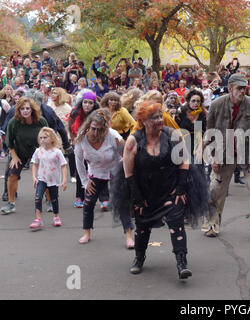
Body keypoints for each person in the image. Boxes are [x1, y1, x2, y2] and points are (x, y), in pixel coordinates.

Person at [121, 101, 194, 279]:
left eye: (160, 116)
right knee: (142, 226)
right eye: (154, 118)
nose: (160, 120)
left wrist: (181, 187)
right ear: (143, 121)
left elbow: (184, 160)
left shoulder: (172, 135)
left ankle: (181, 262)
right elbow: (128, 170)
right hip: (145, 191)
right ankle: (139, 257)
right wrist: (136, 196)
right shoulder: (134, 140)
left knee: (176, 222)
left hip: (170, 187)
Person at [202, 73, 250, 237]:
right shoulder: (216, 105)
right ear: (230, 88)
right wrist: (213, 156)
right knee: (215, 189)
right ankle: (212, 225)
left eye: (244, 88)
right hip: (223, 152)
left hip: (247, 152)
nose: (242, 91)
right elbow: (210, 133)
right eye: (239, 88)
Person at [74, 109, 124, 244]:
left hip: (114, 170)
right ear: (88, 126)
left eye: (100, 130)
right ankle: (87, 233)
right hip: (96, 173)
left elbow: (125, 155)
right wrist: (85, 181)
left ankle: (129, 235)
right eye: (93, 128)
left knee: (123, 203)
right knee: (89, 202)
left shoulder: (113, 136)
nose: (96, 133)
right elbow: (78, 162)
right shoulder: (82, 138)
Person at [1, 97, 48, 214]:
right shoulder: (14, 122)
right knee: (12, 175)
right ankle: (11, 204)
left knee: (44, 175)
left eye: (27, 108)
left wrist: (45, 155)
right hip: (19, 152)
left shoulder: (41, 121)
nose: (25, 111)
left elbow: (48, 137)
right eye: (22, 108)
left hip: (38, 152)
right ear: (19, 110)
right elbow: (8, 141)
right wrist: (14, 156)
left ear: (32, 109)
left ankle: (51, 200)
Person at [29, 128, 68, 230]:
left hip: (54, 180)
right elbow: (35, 164)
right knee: (38, 197)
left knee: (54, 199)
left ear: (51, 139)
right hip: (42, 178)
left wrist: (64, 180)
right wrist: (34, 177)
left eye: (45, 137)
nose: (42, 140)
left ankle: (56, 216)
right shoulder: (38, 151)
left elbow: (63, 165)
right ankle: (38, 219)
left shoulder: (57, 152)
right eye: (40, 138)